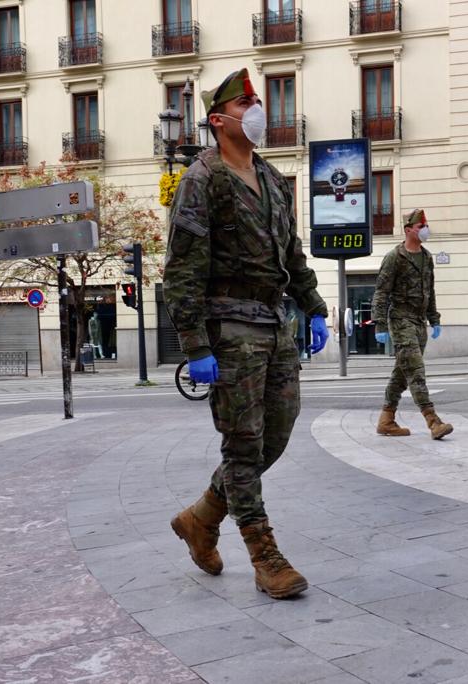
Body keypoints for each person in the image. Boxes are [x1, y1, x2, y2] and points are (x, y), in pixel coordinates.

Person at [163, 68, 330, 600]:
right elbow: (182, 268)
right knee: (242, 445)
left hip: (276, 323)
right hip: (229, 326)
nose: (257, 111)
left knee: (275, 435)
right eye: (247, 104)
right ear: (219, 120)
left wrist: (314, 306)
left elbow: (293, 254)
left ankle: (201, 519)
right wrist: (195, 345)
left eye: (257, 102)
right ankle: (265, 556)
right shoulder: (202, 179)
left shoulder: (275, 179)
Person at [372, 208, 454, 440]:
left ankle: (386, 420)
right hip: (400, 320)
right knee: (416, 372)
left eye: (425, 227)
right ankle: (433, 421)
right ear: (409, 230)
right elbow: (381, 292)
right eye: (420, 227)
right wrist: (380, 325)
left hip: (419, 322)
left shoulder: (427, 257)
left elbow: (430, 291)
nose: (425, 231)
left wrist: (434, 319)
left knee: (402, 373)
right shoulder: (394, 257)